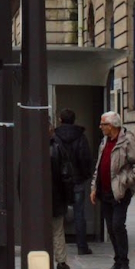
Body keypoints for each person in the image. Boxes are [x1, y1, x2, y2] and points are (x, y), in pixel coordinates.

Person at [90, 111, 135, 269]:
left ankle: (124, 262)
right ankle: (117, 260)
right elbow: (99, 167)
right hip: (105, 191)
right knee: (111, 228)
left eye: (103, 124)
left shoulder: (128, 140)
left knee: (118, 225)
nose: (100, 127)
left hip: (120, 192)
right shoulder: (104, 141)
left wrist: (126, 181)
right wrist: (94, 187)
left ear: (112, 125)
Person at [53, 108, 94, 255]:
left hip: (59, 182)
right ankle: (82, 246)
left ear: (61, 120)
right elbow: (85, 158)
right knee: (79, 213)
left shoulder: (55, 137)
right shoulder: (80, 137)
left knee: (57, 215)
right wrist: (85, 175)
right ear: (74, 120)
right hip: (77, 180)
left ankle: (58, 247)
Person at [50, 120, 73, 269]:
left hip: (36, 200)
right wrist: (67, 196)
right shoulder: (58, 148)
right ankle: (61, 261)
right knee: (57, 229)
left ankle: (40, 257)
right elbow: (66, 175)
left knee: (39, 230)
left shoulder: (29, 147)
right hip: (56, 196)